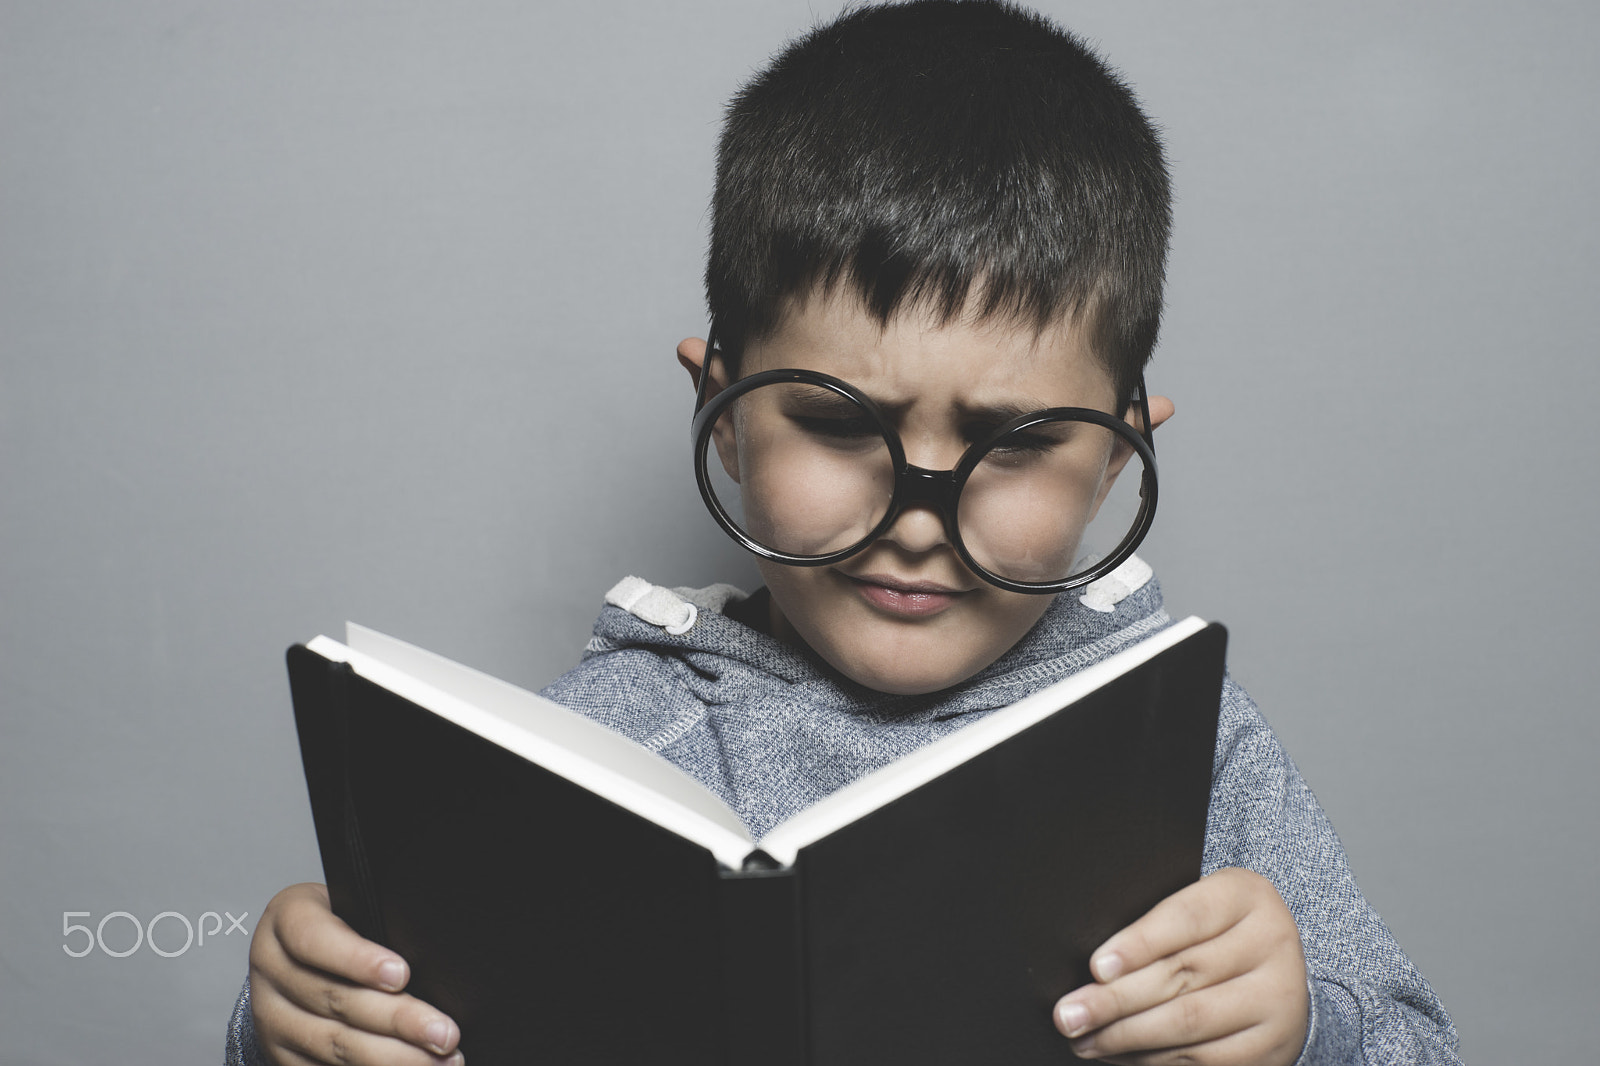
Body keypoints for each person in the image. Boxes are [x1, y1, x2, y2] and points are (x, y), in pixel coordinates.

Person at [226, 2, 1462, 1064]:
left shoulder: (1190, 748)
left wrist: (1306, 1030)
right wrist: (293, 1026)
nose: (912, 520)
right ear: (721, 413)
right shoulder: (600, 746)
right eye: (833, 422)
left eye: (1017, 442)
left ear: (1117, 451)